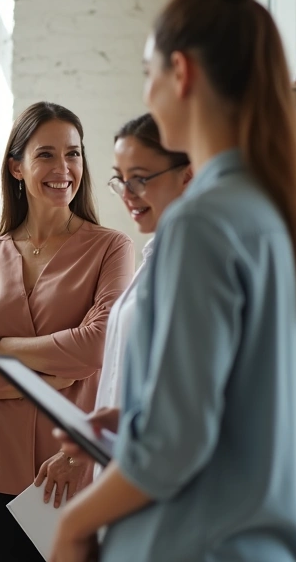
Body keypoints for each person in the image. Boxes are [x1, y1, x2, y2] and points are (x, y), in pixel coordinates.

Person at [50, 0, 296, 562]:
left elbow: (174, 446)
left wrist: (74, 525)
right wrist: (136, 418)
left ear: (179, 72)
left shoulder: (201, 223)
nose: (146, 91)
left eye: (146, 72)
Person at [0, 101, 134, 562]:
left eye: (73, 153)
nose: (63, 168)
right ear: (17, 167)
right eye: (46, 154)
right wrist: (48, 378)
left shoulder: (111, 248)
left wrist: (3, 350)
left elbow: (98, 346)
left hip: (73, 471)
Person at [94, 114, 190, 412]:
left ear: (188, 175)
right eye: (120, 181)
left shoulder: (193, 268)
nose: (127, 195)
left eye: (138, 180)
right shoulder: (156, 255)